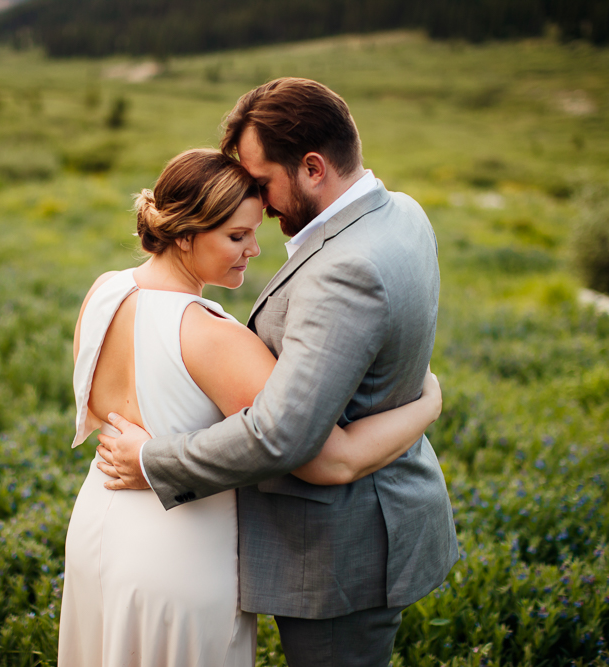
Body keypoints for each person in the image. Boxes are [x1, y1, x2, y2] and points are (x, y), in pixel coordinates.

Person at [97, 78, 459, 666]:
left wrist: (150, 461)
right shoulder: (402, 213)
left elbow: (281, 435)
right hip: (365, 519)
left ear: (313, 167)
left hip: (342, 552)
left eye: (263, 184)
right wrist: (425, 405)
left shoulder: (348, 269)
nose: (259, 205)